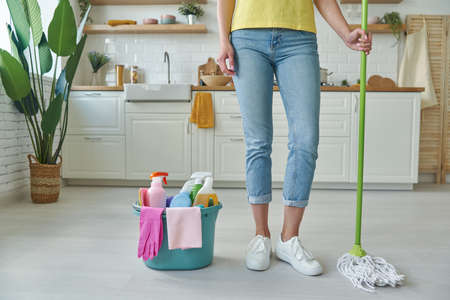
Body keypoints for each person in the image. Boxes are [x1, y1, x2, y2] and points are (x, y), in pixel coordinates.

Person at [216, 0, 372, 274]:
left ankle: (289, 238)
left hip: (299, 39)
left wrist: (345, 32)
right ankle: (260, 236)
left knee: (306, 140)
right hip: (247, 36)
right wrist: (223, 39)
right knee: (258, 141)